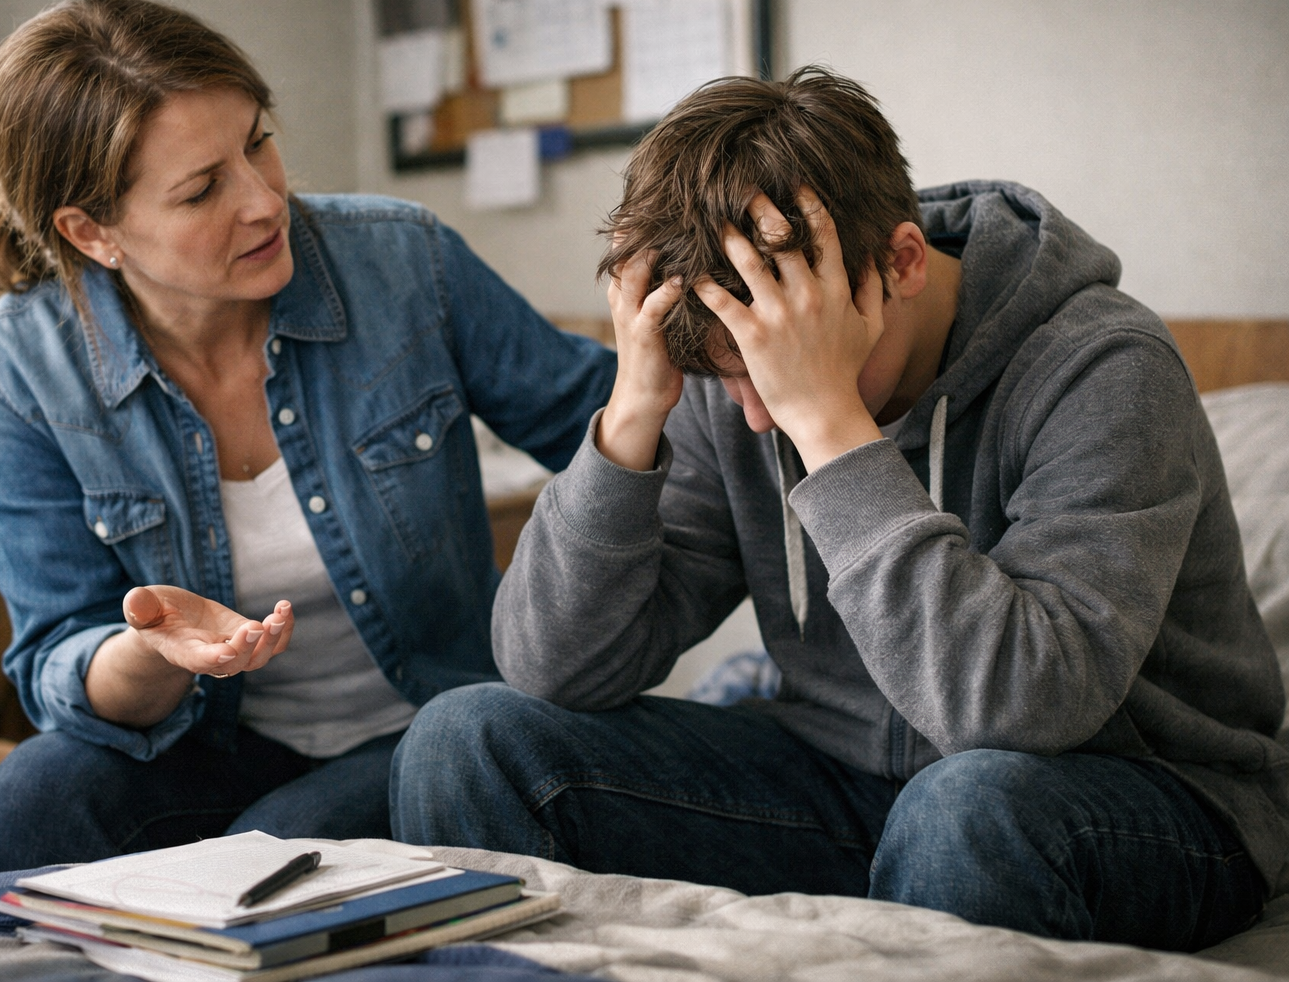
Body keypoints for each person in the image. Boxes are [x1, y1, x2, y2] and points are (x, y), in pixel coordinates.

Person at [389, 69, 1289, 950]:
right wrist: (633, 412)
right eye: (727, 373)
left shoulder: (1104, 369)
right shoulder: (727, 387)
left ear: (899, 264)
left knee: (965, 810)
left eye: (775, 369)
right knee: (466, 739)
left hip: (1134, 795)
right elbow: (556, 670)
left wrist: (828, 423)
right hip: (843, 780)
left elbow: (1019, 709)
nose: (755, 411)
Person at [0, 0, 614, 874]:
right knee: (32, 802)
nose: (266, 201)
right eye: (202, 189)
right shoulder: (16, 365)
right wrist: (156, 651)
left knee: (262, 852)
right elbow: (54, 660)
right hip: (208, 738)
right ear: (92, 232)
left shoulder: (402, 259)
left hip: (424, 720)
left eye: (257, 141)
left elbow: (605, 424)